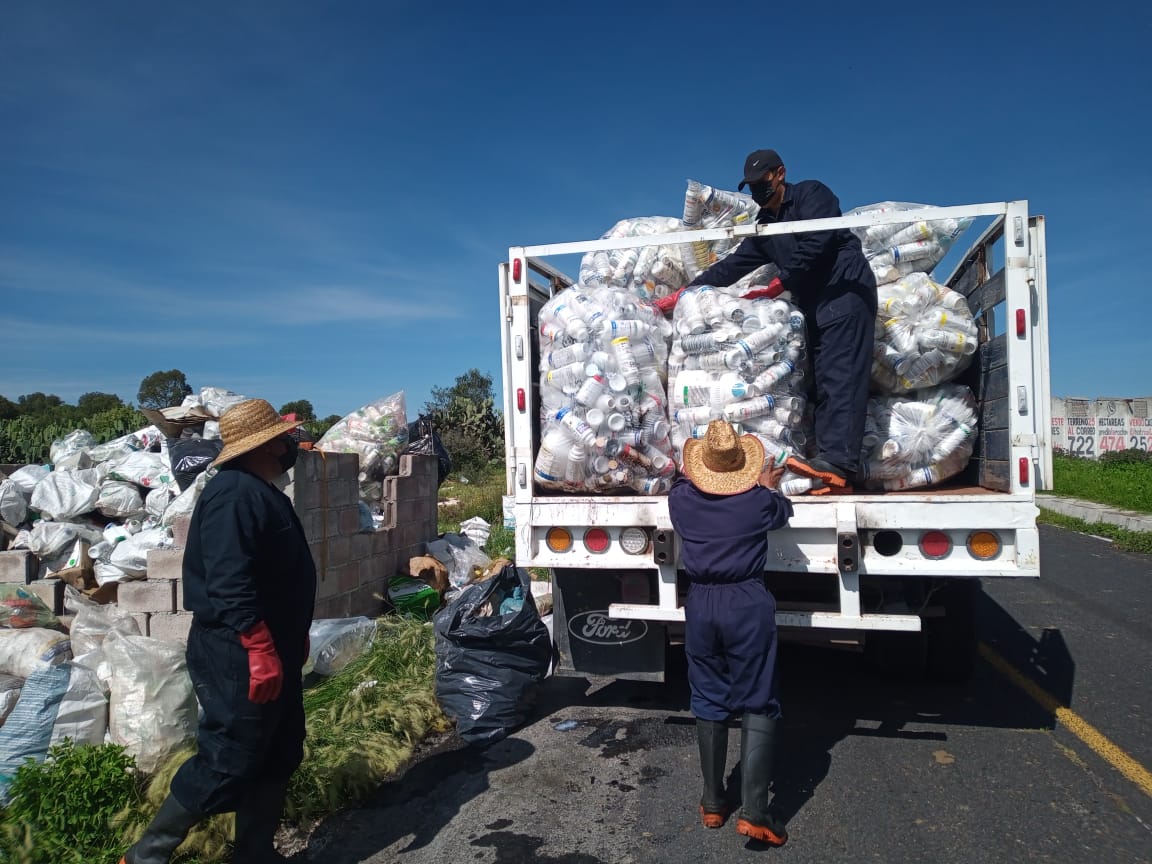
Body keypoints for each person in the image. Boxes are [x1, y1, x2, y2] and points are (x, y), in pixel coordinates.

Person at [121, 399, 316, 864]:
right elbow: (230, 581)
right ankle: (145, 856)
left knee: (279, 749)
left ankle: (254, 853)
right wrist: (260, 646)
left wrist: (295, 634)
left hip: (274, 646)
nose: (291, 445)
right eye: (284, 438)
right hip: (239, 651)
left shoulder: (259, 490)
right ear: (266, 445)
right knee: (230, 757)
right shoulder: (234, 494)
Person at [657, 149, 878, 493]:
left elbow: (818, 242)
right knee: (822, 381)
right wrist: (688, 290)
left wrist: (779, 284)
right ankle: (827, 460)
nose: (758, 191)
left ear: (780, 174)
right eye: (752, 187)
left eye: (763, 182)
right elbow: (732, 266)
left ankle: (839, 466)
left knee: (843, 374)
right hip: (815, 306)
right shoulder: (767, 227)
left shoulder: (811, 194)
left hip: (843, 293)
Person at [669, 419, 793, 845]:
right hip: (746, 601)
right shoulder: (759, 502)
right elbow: (781, 510)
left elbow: (679, 482)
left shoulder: (681, 501)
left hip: (701, 603)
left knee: (707, 692)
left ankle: (713, 802)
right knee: (758, 695)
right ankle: (756, 811)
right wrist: (768, 484)